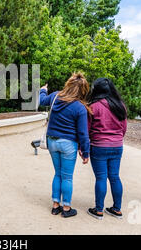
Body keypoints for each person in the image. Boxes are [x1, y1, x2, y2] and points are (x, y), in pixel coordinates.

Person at [39, 72, 91, 218]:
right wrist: (85, 153)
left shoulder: (56, 96)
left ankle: (56, 206)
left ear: (68, 84)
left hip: (52, 141)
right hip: (68, 144)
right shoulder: (79, 107)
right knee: (67, 177)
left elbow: (41, 100)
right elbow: (83, 134)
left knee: (57, 173)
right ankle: (66, 208)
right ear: (83, 90)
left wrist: (43, 90)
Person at [86, 78, 127, 220]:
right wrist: (116, 139)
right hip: (117, 145)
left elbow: (88, 129)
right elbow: (124, 128)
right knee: (115, 177)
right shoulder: (120, 105)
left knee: (101, 178)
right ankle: (117, 209)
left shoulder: (93, 107)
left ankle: (98, 210)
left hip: (99, 146)